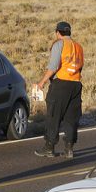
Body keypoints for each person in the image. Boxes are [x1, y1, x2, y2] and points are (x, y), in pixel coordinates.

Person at [34, 21, 84, 159]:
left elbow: (54, 66)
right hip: (76, 84)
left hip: (60, 84)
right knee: (71, 118)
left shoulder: (59, 44)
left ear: (58, 33)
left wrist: (42, 82)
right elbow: (80, 67)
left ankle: (49, 147)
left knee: (53, 116)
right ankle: (69, 149)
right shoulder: (78, 46)